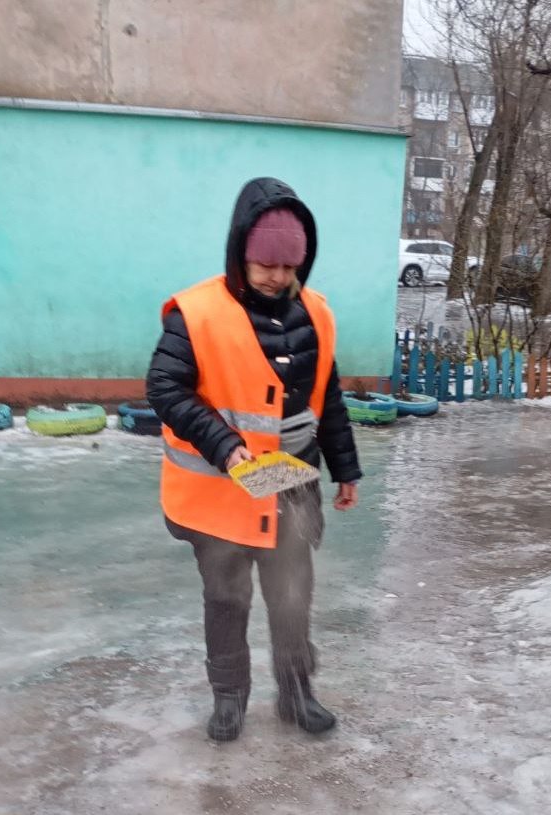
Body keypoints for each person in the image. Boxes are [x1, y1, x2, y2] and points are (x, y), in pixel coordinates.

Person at [146, 177, 362, 742]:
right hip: (223, 493)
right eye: (265, 264)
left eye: (289, 267)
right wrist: (223, 444)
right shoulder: (195, 314)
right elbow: (165, 389)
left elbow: (328, 399)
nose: (277, 277)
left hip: (291, 484)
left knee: (292, 593)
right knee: (227, 598)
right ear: (239, 251)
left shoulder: (315, 314)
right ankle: (229, 698)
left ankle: (297, 694)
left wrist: (345, 469)